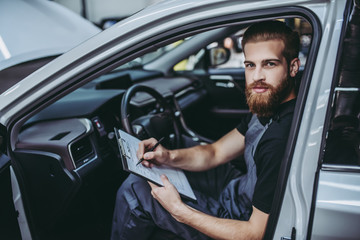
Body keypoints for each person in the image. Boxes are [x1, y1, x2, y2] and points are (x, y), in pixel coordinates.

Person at [111, 20, 301, 240]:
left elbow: (255, 234)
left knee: (136, 189)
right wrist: (167, 156)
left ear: (293, 67)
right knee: (175, 156)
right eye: (250, 65)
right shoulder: (269, 106)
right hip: (238, 186)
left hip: (238, 217)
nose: (257, 76)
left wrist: (179, 210)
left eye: (269, 64)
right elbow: (216, 152)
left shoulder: (279, 139)